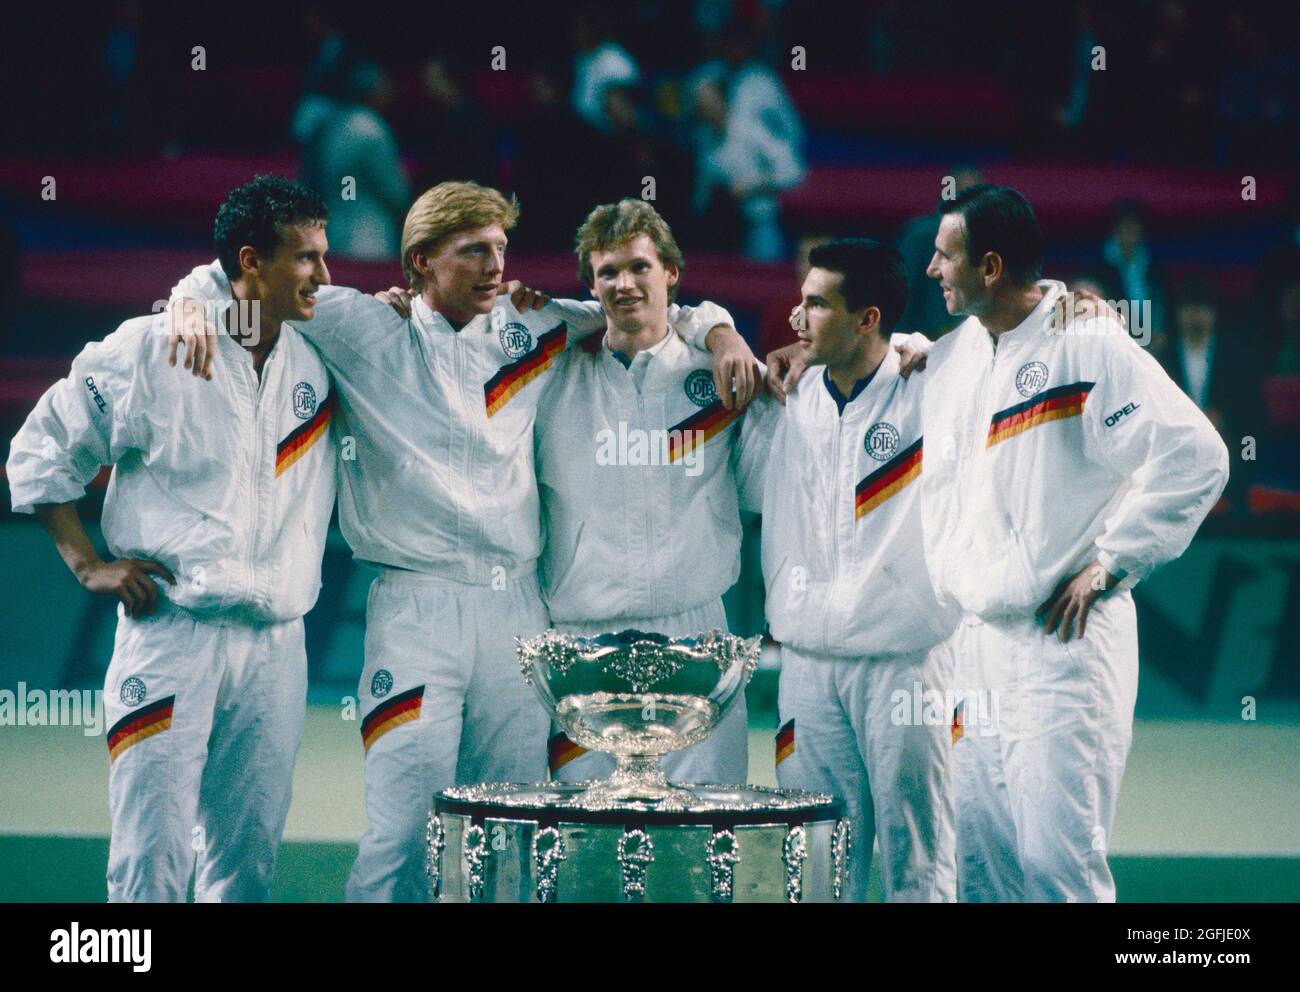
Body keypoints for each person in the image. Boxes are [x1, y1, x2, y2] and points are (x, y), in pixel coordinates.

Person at [166, 180, 756, 902]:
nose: (495, 266)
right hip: (413, 610)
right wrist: (190, 302)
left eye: (501, 248)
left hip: (516, 613)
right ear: (420, 261)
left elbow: (658, 312)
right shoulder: (356, 325)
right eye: (474, 250)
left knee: (505, 827)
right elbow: (245, 278)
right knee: (402, 828)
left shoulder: (534, 327)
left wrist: (721, 331)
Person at [7, 176, 338, 901]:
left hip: (278, 650)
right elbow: (39, 453)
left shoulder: (322, 360)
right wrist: (85, 562)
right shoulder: (154, 349)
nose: (325, 275)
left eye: (324, 254)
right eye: (306, 259)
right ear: (252, 262)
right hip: (170, 635)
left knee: (246, 865)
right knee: (149, 861)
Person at [920, 184, 1229, 901]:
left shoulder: (1088, 341)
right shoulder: (961, 350)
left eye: (945, 255)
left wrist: (1113, 561)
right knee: (982, 869)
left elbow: (1198, 457)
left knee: (1056, 868)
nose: (932, 269)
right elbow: (892, 358)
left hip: (1065, 647)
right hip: (977, 649)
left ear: (990, 267)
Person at [736, 239, 959, 901]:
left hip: (905, 662)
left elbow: (1013, 343)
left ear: (867, 318)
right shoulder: (785, 397)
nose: (797, 319)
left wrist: (945, 351)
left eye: (816, 304)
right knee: (817, 865)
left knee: (917, 860)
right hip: (806, 666)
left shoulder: (931, 385)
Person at [534, 199, 755, 784]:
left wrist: (720, 331)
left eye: (639, 267)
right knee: (584, 852)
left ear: (671, 274)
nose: (623, 284)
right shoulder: (553, 377)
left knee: (704, 844)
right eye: (607, 273)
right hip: (583, 643)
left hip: (696, 637)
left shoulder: (716, 374)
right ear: (590, 287)